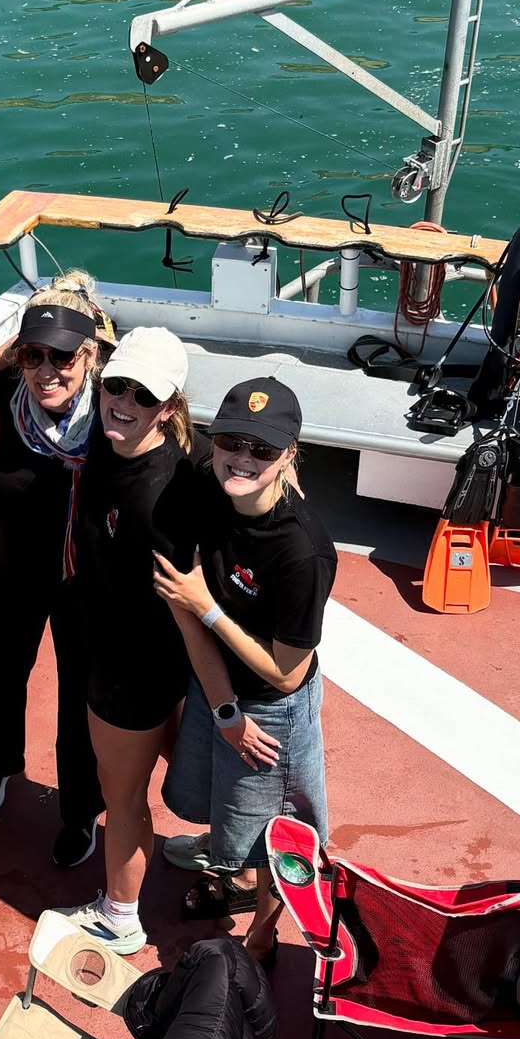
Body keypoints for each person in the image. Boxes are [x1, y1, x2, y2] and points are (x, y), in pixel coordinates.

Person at [153, 377, 336, 970]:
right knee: (222, 798)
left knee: (275, 836)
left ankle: (263, 929)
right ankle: (222, 855)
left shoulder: (301, 549)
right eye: (232, 441)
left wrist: (206, 605)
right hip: (222, 690)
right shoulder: (213, 484)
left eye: (263, 450)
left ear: (290, 455)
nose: (242, 458)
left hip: (273, 705)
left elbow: (287, 672)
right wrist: (224, 709)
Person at [60, 327, 201, 954]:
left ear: (167, 408)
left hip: (130, 674)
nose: (121, 400)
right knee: (195, 775)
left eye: (141, 395)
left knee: (122, 801)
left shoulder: (159, 494)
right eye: (114, 384)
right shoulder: (114, 447)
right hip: (144, 667)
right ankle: (241, 871)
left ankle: (120, 915)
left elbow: (186, 600)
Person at [0, 272, 110, 867]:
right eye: (33, 354)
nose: (47, 368)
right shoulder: (2, 392)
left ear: (92, 356)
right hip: (13, 569)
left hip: (88, 583)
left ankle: (80, 810)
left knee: (81, 694)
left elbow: (179, 446)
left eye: (63, 356)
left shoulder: (116, 408)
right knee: (4, 670)